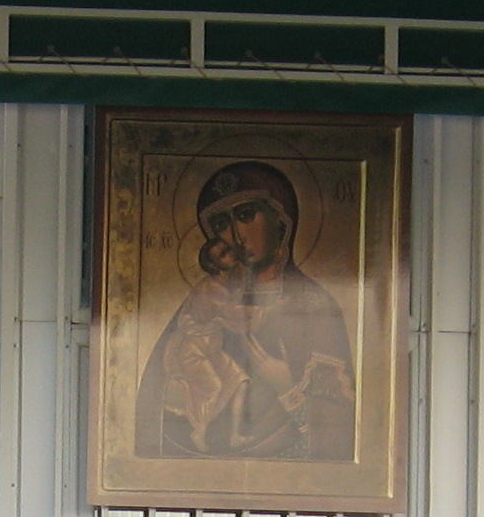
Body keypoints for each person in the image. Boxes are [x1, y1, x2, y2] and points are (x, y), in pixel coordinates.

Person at [135, 160, 356, 463]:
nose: (236, 235)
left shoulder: (313, 305)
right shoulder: (207, 298)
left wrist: (286, 387)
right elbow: (153, 411)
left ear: (280, 219)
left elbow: (336, 437)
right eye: (221, 225)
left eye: (246, 215)